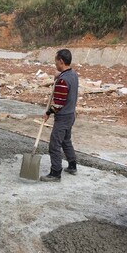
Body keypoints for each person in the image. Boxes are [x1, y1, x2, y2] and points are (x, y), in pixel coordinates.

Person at [40, 49, 79, 182]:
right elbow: (65, 78)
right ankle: (72, 165)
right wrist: (59, 75)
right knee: (66, 140)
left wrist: (48, 113)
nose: (55, 63)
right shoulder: (73, 74)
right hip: (71, 114)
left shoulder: (63, 81)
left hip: (63, 117)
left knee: (55, 144)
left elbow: (58, 103)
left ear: (61, 61)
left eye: (56, 61)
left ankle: (56, 173)